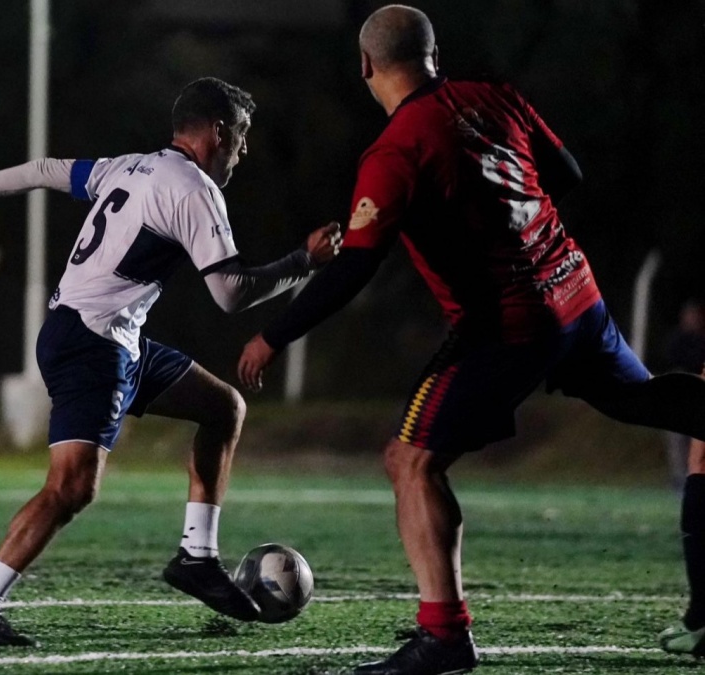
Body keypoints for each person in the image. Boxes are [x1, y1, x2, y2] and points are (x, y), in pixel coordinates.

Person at [236, 6, 705, 673]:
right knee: (646, 400)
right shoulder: (492, 95)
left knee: (411, 462)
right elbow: (564, 171)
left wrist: (271, 335)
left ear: (366, 65)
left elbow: (357, 266)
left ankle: (444, 636)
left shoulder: (396, 150)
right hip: (576, 292)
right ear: (433, 52)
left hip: (508, 325)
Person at [0, 76, 341, 647]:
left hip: (109, 337)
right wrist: (302, 263)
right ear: (217, 133)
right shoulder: (192, 188)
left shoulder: (130, 166)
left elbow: (43, 169)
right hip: (93, 342)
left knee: (223, 408)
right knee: (72, 489)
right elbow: (231, 293)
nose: (244, 151)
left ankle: (197, 557)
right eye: (241, 137)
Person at [663, 300, 705, 490]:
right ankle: (680, 478)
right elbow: (673, 360)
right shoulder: (677, 339)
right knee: (676, 438)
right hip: (680, 395)